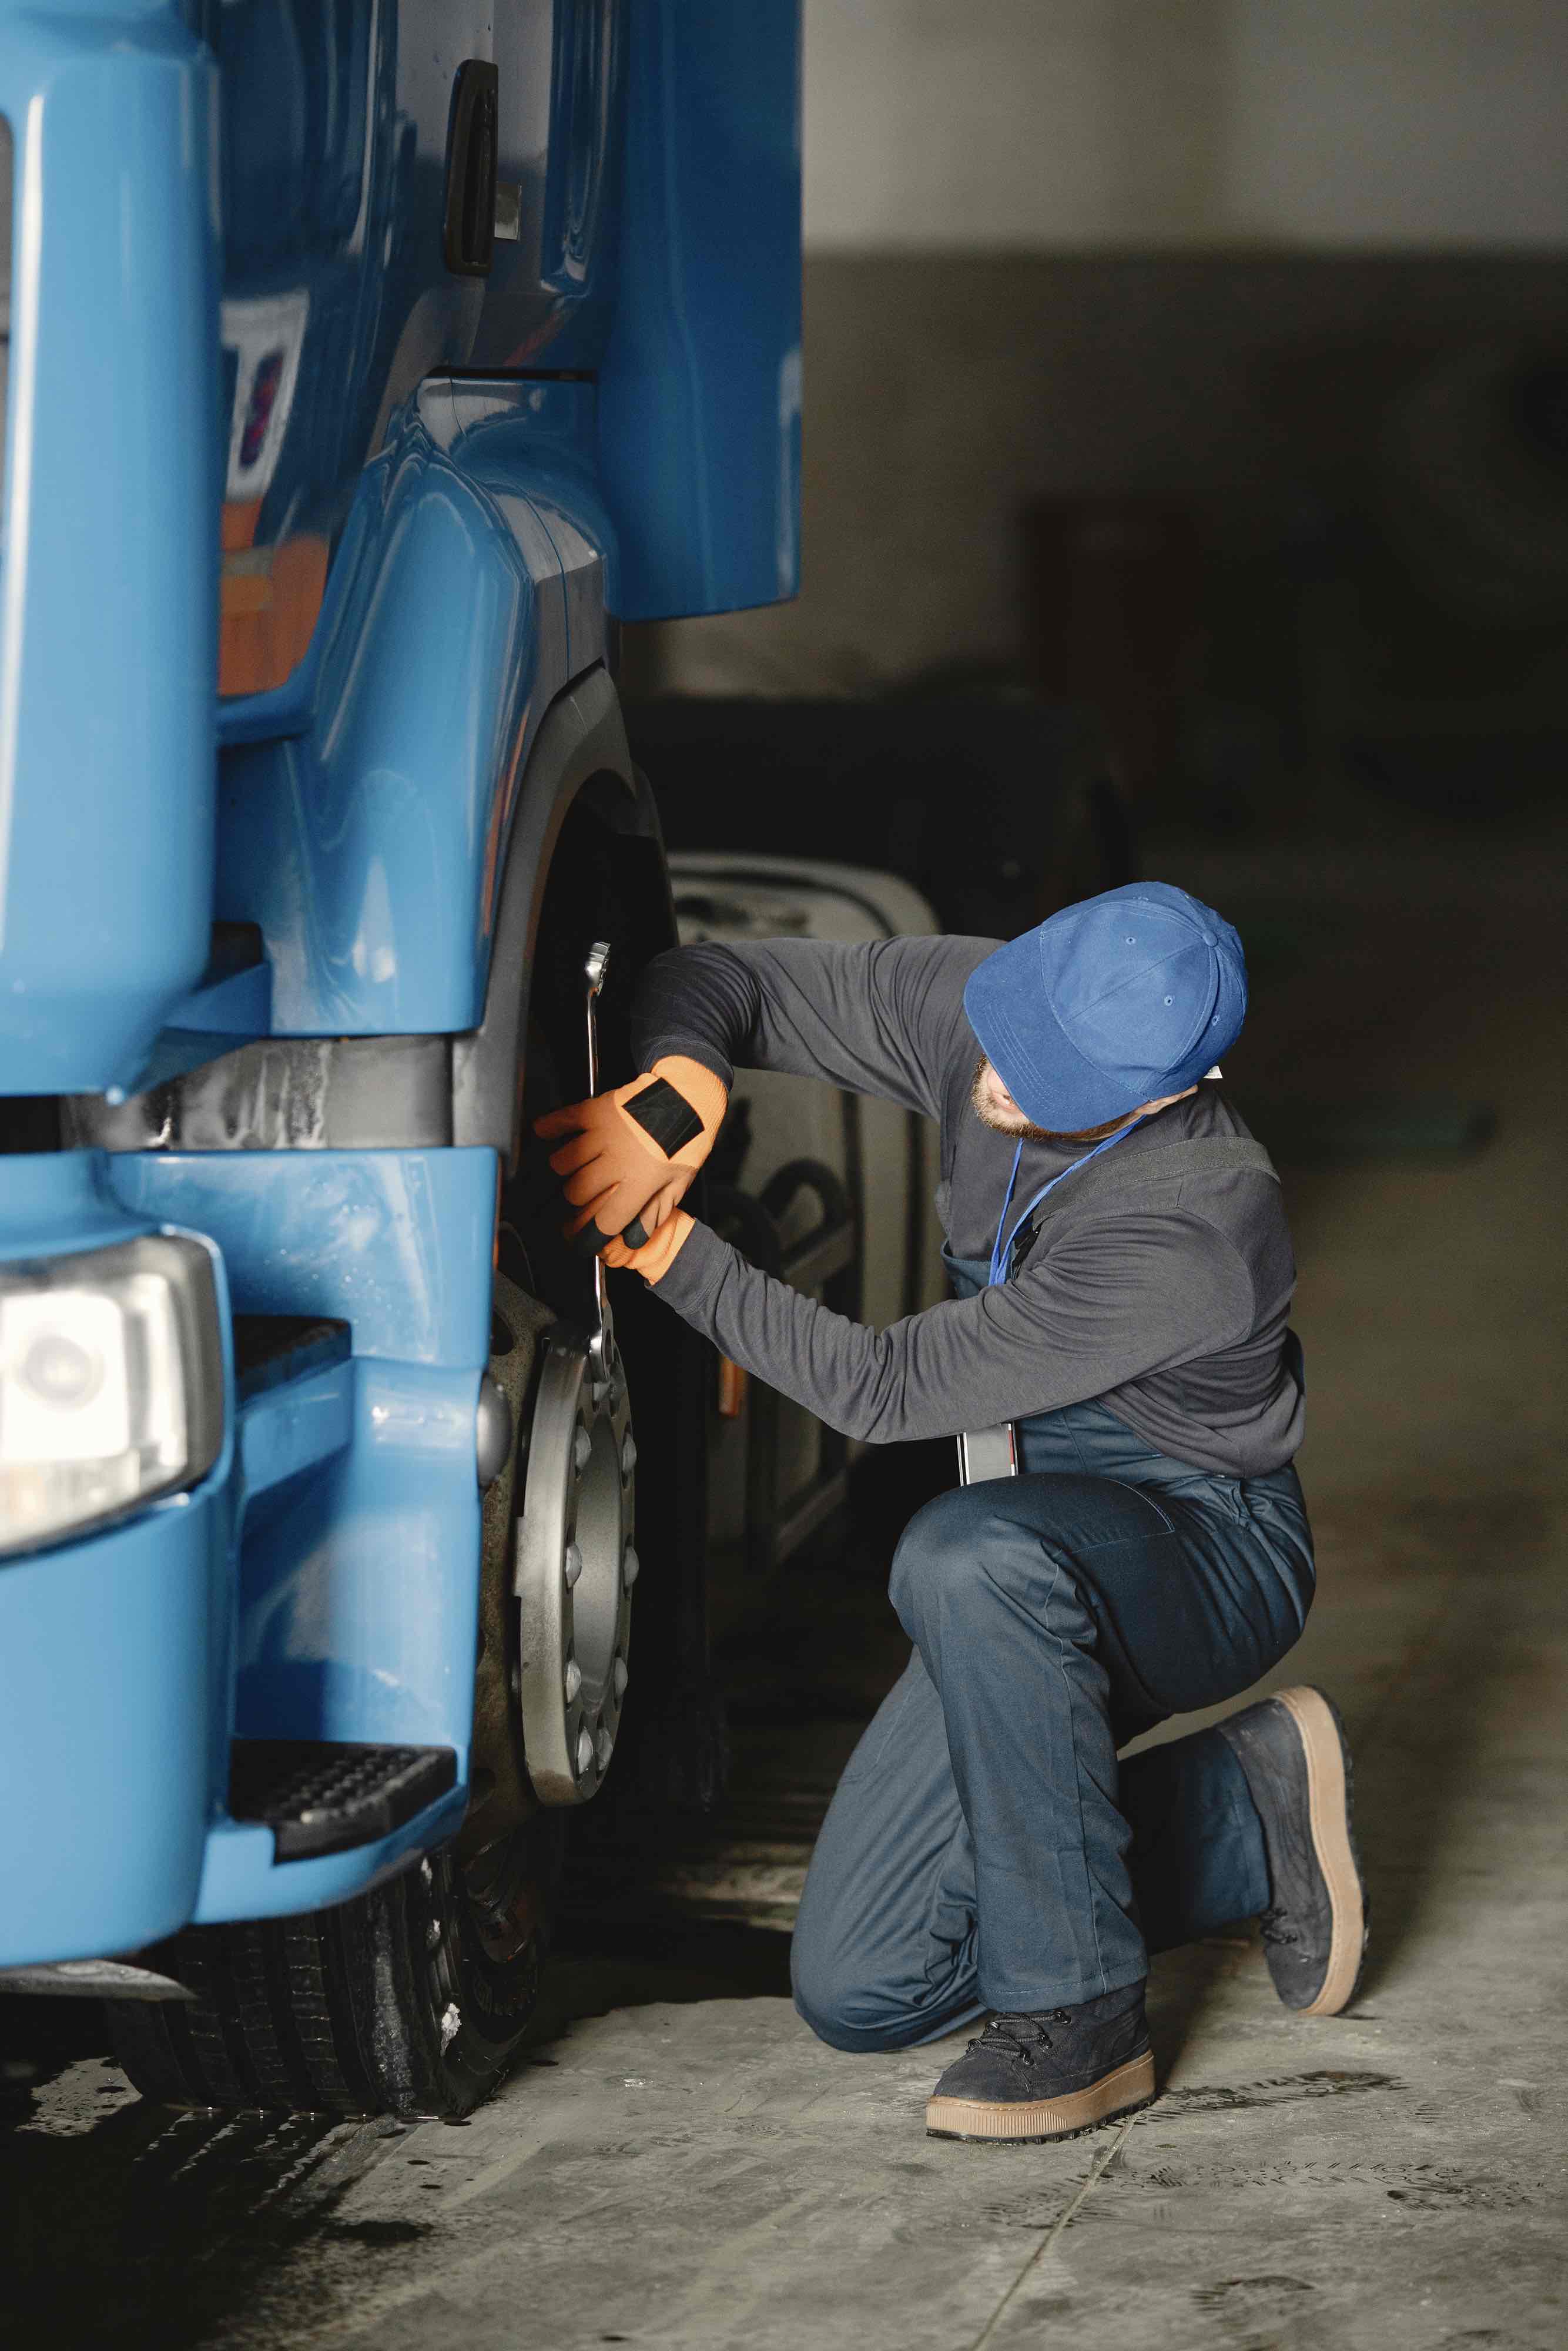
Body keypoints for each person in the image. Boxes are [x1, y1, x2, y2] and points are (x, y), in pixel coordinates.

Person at [536, 881, 1366, 2145]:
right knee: (865, 1985)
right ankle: (1236, 1812)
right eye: (1014, 1041)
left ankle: (1079, 2011)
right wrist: (676, 1088)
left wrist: (669, 1249)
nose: (1006, 1084)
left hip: (1194, 1547)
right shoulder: (993, 1005)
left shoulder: (1195, 1221)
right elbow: (720, 978)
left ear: (1163, 1094)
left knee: (963, 1551)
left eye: (1058, 1082)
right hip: (1017, 1556)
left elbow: (885, 1384)